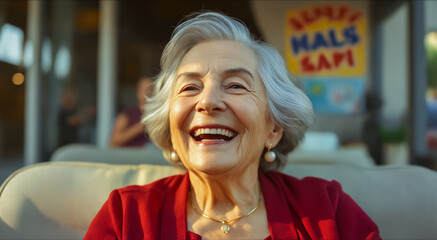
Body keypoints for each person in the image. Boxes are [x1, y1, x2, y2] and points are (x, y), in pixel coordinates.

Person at [85, 12, 380, 239]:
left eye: (236, 85)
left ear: (274, 128)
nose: (208, 101)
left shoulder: (329, 211)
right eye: (189, 88)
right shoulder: (126, 218)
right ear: (170, 126)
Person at [109, 77, 153, 147]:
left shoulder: (159, 114)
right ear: (137, 92)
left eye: (151, 89)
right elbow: (114, 141)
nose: (147, 93)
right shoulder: (128, 113)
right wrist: (142, 126)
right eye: (144, 89)